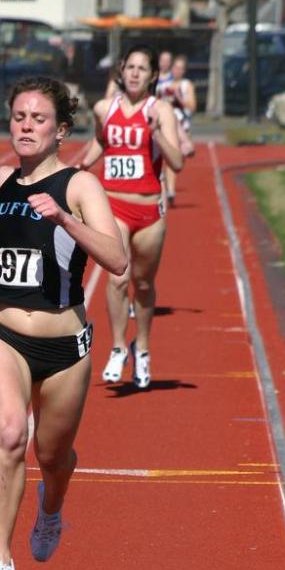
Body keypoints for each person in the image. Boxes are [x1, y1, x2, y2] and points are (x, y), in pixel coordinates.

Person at [0, 76, 128, 570]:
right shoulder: (4, 179)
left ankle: (52, 508)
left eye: (38, 119)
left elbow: (116, 261)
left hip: (65, 344)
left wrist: (65, 218)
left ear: (61, 130)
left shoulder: (78, 185)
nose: (25, 126)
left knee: (52, 454)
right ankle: (0, 562)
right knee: (9, 430)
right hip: (0, 332)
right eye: (18, 117)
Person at [77, 44, 183, 390]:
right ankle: (120, 346)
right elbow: (101, 142)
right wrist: (79, 167)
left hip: (150, 209)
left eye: (142, 68)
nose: (135, 73)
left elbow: (178, 162)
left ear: (153, 75)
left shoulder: (161, 110)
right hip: (114, 206)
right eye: (130, 67)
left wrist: (154, 132)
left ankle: (144, 347)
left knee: (144, 284)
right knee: (117, 279)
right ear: (121, 71)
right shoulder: (104, 108)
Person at [160, 54, 196, 204]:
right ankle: (170, 191)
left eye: (180, 68)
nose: (177, 71)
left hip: (182, 126)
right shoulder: (162, 86)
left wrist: (180, 99)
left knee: (176, 159)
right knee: (167, 157)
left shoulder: (186, 85)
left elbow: (192, 107)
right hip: (165, 125)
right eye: (175, 67)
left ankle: (169, 189)